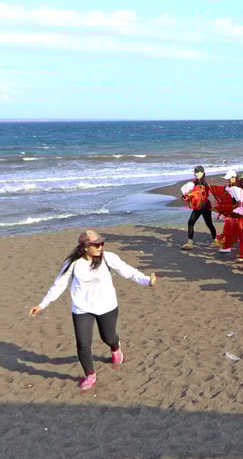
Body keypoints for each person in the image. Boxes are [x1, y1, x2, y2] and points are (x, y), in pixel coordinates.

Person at [29, 230, 156, 391]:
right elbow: (59, 285)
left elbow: (127, 271)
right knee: (83, 344)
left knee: (108, 337)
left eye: (102, 243)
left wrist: (146, 281)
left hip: (107, 306)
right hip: (82, 309)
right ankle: (90, 374)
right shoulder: (72, 263)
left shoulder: (108, 258)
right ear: (85, 247)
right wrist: (42, 305)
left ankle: (115, 347)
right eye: (96, 244)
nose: (100, 247)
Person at [181, 166, 217, 250]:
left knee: (209, 224)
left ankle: (215, 240)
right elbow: (190, 194)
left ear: (203, 172)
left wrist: (193, 194)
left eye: (198, 172)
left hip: (205, 206)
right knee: (190, 222)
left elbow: (202, 195)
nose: (196, 174)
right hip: (197, 207)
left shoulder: (204, 183)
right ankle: (190, 242)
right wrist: (185, 196)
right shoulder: (194, 182)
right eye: (195, 172)